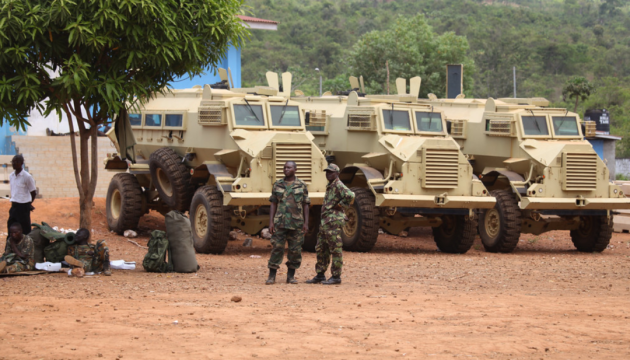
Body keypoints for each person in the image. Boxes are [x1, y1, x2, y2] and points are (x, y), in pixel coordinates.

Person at [306, 164, 354, 285]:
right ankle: (320, 274)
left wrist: (341, 206)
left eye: (331, 172)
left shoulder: (338, 185)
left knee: (335, 248)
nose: (328, 174)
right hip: (325, 222)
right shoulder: (330, 186)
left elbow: (351, 195)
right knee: (321, 248)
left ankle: (336, 276)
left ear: (337, 173)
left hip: (333, 222)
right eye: (327, 172)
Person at [266, 161, 310, 285]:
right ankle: (271, 276)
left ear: (295, 169)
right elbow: (273, 203)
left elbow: (306, 204)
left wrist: (306, 223)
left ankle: (290, 277)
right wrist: (271, 222)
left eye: (289, 167)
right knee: (277, 248)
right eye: (284, 167)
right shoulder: (278, 184)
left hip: (297, 223)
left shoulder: (301, 185)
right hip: (280, 222)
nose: (286, 169)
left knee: (295, 250)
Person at [8, 154, 37, 235]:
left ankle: (26, 246)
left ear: (21, 163)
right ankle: (10, 246)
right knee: (11, 227)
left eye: (16, 162)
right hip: (14, 205)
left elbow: (33, 192)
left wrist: (29, 203)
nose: (14, 164)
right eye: (13, 162)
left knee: (25, 229)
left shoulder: (27, 176)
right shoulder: (11, 175)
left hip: (23, 207)